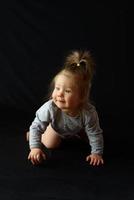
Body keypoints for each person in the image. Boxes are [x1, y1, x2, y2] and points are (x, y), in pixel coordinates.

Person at [27, 50, 104, 166]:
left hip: (78, 128)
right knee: (50, 144)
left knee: (92, 138)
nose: (59, 94)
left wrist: (97, 153)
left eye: (67, 91)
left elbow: (95, 133)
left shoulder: (88, 113)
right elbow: (36, 127)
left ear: (81, 96)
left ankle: (77, 135)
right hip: (57, 129)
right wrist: (35, 148)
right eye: (57, 88)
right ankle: (33, 136)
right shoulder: (50, 108)